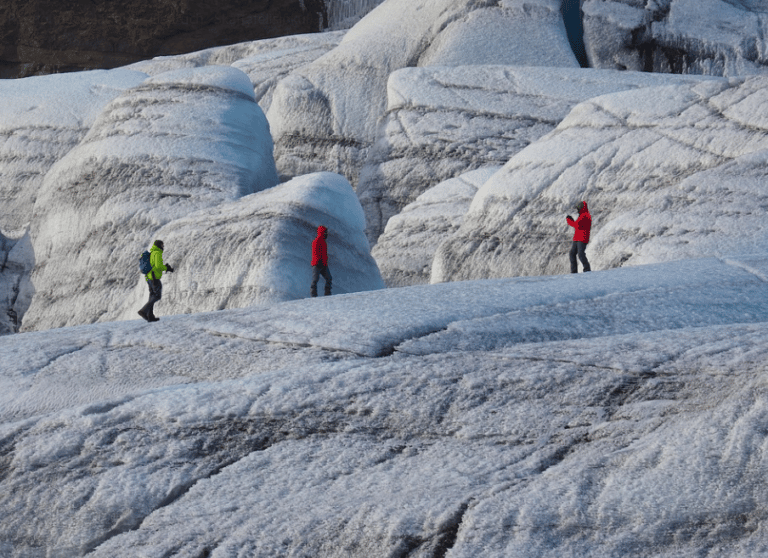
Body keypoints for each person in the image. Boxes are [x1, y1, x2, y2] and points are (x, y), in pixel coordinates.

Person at [138, 239, 174, 322]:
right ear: (159, 245)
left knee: (152, 296)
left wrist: (165, 267)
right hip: (154, 278)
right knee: (157, 296)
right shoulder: (157, 253)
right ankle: (143, 311)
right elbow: (158, 266)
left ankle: (150, 316)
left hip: (149, 277)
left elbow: (155, 265)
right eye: (162, 245)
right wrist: (167, 268)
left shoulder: (153, 252)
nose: (163, 247)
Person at [566, 201, 592, 273]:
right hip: (577, 238)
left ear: (581, 208)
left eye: (578, 208)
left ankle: (587, 269)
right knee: (572, 253)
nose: (577, 210)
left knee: (580, 253)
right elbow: (578, 225)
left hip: (582, 238)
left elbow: (576, 225)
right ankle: (574, 271)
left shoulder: (585, 215)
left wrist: (569, 220)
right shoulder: (582, 215)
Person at [310, 225, 332, 297]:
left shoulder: (323, 241)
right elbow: (315, 252)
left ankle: (327, 294)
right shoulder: (317, 241)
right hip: (317, 264)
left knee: (328, 278)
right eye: (326, 232)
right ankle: (313, 295)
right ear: (323, 232)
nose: (327, 234)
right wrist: (319, 261)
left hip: (323, 264)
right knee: (315, 279)